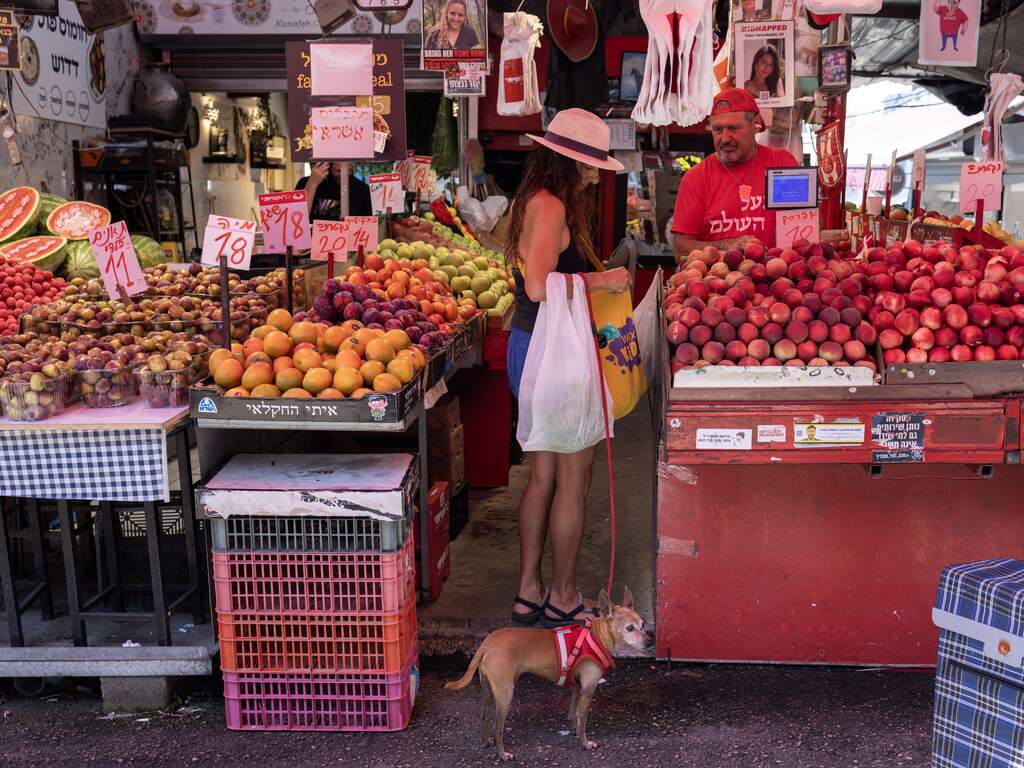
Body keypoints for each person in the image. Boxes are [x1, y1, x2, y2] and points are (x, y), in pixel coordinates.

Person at [504, 108, 631, 628]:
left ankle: (528, 590)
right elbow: (538, 285)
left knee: (543, 476)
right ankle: (561, 594)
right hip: (548, 351)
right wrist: (607, 281)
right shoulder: (552, 206)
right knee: (572, 480)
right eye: (590, 165)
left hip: (530, 346)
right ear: (572, 163)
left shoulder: (531, 202)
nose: (595, 174)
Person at [671, 87, 798, 255]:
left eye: (733, 128)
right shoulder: (696, 178)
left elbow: (803, 227)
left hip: (773, 277)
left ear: (755, 125)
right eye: (717, 130)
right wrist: (726, 245)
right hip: (716, 279)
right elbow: (681, 250)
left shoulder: (781, 163)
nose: (724, 138)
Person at [295, 162, 372, 221]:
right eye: (338, 170)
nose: (344, 175)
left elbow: (370, 225)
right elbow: (297, 220)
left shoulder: (362, 190)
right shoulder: (305, 183)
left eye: (349, 170)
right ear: (327, 167)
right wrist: (312, 185)